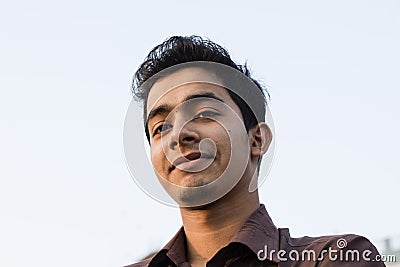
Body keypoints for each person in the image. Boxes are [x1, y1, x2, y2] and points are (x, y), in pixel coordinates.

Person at [125, 36, 384, 267]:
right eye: (161, 127)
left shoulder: (336, 258)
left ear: (257, 139)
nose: (179, 135)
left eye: (205, 113)